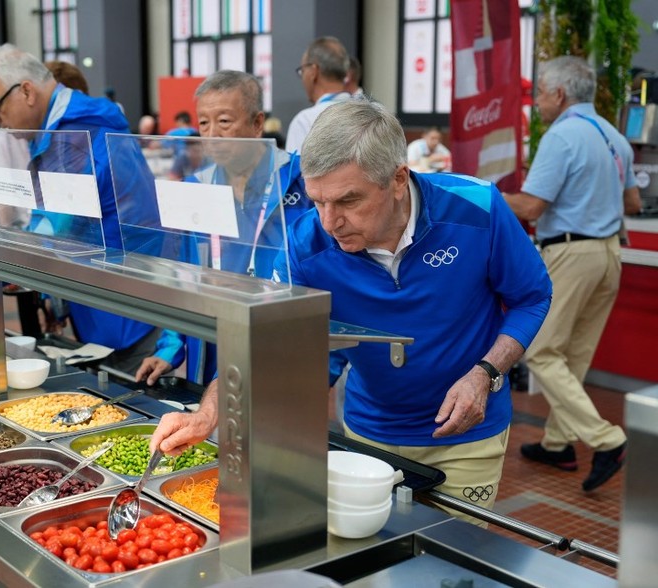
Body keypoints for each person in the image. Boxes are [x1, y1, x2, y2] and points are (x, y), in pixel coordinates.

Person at [151, 100, 552, 517]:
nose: (329, 222)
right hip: (367, 433)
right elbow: (264, 339)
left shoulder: (477, 207)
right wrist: (210, 413)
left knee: (451, 570)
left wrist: (485, 374)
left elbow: (532, 296)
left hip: (468, 435)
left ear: (398, 179)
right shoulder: (304, 244)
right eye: (317, 202)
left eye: (347, 201)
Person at [502, 56, 642, 492]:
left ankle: (609, 440)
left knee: (540, 349)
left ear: (560, 94)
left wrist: (482, 193)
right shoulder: (616, 137)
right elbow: (634, 204)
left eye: (540, 92)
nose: (538, 100)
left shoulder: (562, 136)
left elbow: (530, 207)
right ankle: (558, 444)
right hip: (609, 255)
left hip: (571, 252)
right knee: (574, 355)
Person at [0, 44, 159, 373]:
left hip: (125, 304)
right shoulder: (62, 129)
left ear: (27, 92)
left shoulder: (74, 135)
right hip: (108, 295)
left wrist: (6, 261)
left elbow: (56, 226)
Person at [136, 70, 312, 387]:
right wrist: (170, 346)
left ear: (257, 124)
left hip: (282, 337)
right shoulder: (196, 187)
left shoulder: (300, 180)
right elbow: (183, 275)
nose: (213, 134)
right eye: (204, 123)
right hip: (214, 339)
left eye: (225, 122)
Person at [285, 36, 353, 154]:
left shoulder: (305, 122)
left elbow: (294, 171)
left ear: (313, 72)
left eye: (302, 71)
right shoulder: (373, 114)